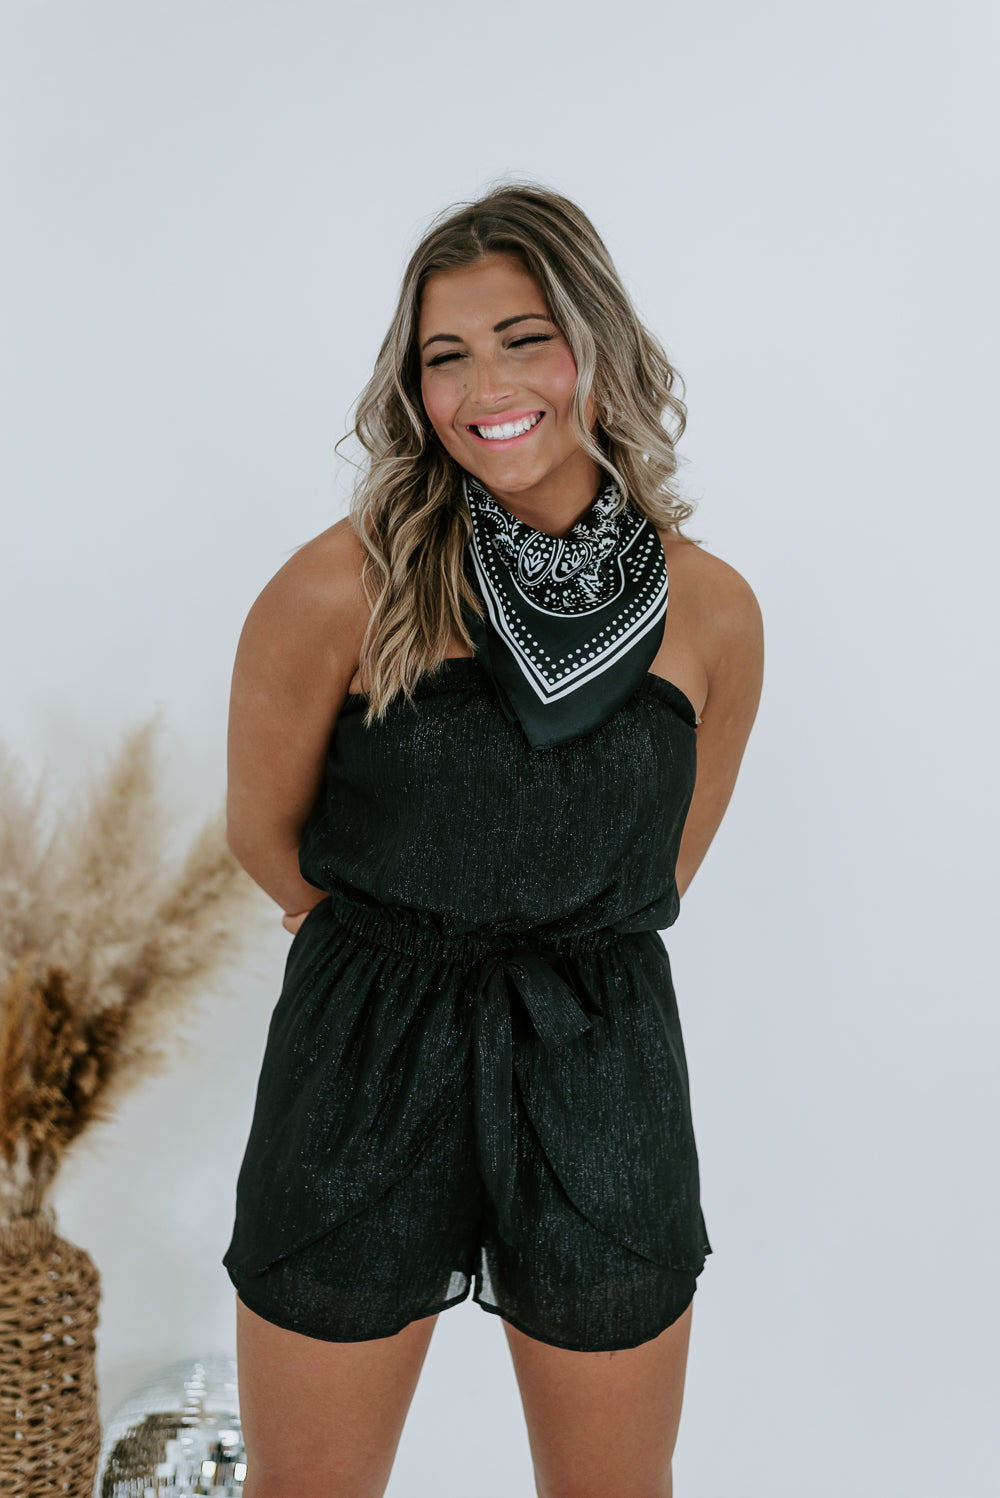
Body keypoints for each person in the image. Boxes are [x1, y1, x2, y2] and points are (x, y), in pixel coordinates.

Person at [221, 183, 763, 1498]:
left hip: (600, 1063)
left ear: (598, 345)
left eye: (526, 338)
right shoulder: (338, 586)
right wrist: (404, 949)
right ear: (413, 387)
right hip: (362, 1057)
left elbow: (661, 870)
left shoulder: (713, 612)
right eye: (446, 355)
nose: (486, 387)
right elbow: (263, 834)